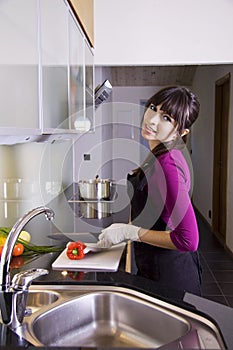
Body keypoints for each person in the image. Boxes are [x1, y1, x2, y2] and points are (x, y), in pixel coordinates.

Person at [98, 86, 202, 296]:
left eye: (166, 118)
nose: (152, 120)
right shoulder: (162, 154)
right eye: (154, 108)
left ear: (182, 132)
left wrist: (130, 232)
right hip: (159, 268)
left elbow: (189, 240)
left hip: (169, 278)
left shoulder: (168, 164)